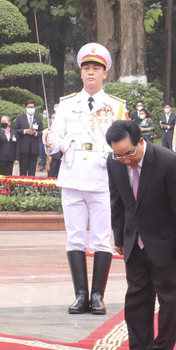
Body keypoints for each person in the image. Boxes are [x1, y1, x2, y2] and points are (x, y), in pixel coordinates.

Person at [106, 120, 176, 350]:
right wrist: (120, 238)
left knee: (167, 300)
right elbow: (118, 202)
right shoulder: (114, 162)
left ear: (141, 141)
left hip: (166, 242)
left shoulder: (168, 162)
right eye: (119, 154)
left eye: (129, 153)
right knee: (136, 298)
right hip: (134, 241)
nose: (125, 159)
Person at [49, 44, 126, 315]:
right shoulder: (67, 104)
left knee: (103, 238)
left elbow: (124, 144)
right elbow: (55, 142)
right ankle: (80, 294)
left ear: (105, 73)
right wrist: (50, 140)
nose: (91, 73)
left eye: (96, 69)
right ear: (80, 73)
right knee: (75, 237)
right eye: (86, 68)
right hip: (72, 176)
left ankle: (98, 295)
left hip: (103, 178)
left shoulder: (116, 107)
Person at [13, 100, 41, 176]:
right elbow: (15, 130)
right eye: (29, 107)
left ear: (35, 108)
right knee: (23, 170)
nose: (31, 108)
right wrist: (25, 131)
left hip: (34, 149)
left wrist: (36, 133)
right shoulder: (20, 118)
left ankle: (32, 186)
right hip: (23, 148)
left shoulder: (38, 118)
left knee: (32, 171)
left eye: (32, 107)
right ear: (25, 108)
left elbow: (41, 132)